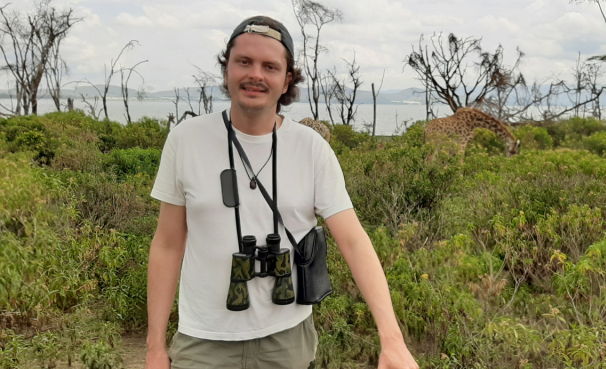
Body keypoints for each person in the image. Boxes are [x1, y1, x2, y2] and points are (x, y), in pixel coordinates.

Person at [144, 16, 418, 369]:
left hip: (287, 340)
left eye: (270, 66)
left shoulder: (312, 149)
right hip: (204, 341)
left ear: (287, 79)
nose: (255, 74)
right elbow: (167, 244)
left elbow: (353, 240)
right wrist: (154, 348)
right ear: (227, 68)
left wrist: (392, 339)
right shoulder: (186, 140)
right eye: (244, 61)